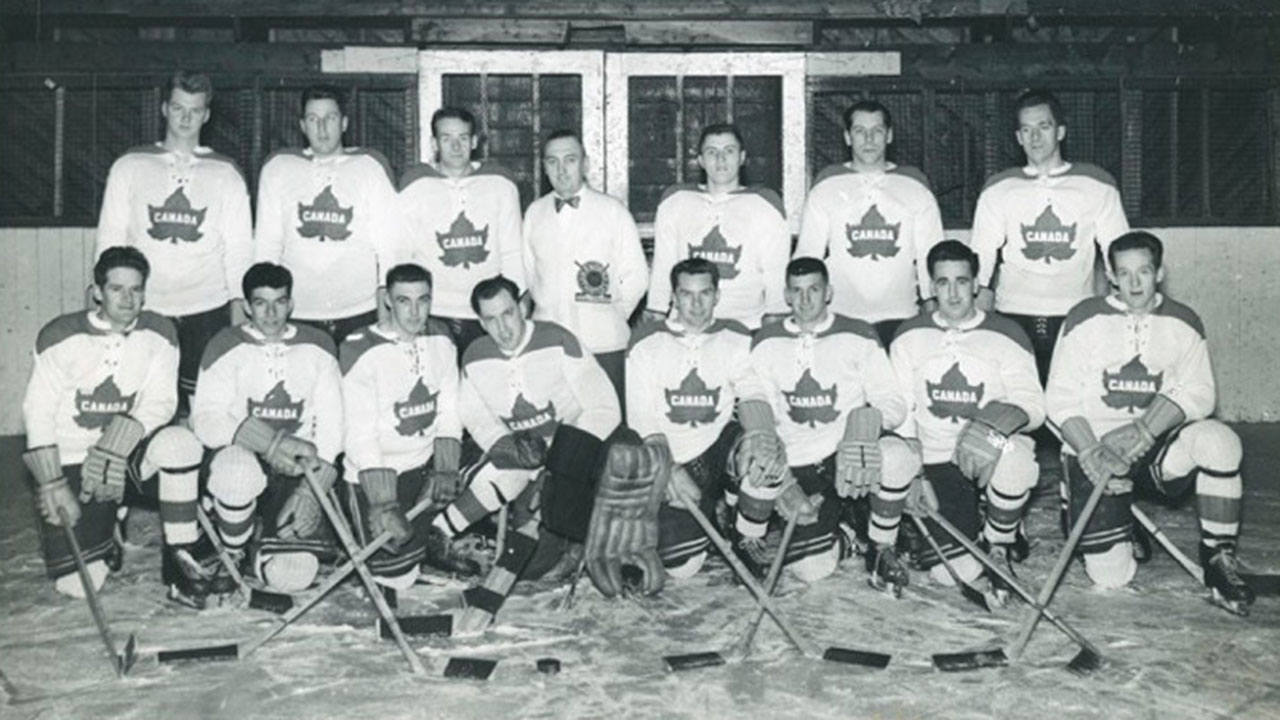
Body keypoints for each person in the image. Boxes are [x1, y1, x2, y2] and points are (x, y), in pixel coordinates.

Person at [1046, 230, 1254, 614]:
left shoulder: (1184, 321)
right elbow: (1058, 398)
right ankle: (1085, 504)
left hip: (1157, 449)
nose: (1134, 283)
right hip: (1095, 449)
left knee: (1220, 441)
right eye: (1124, 273)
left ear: (1159, 272)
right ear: (1110, 275)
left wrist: (1146, 429)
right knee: (1112, 577)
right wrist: (1091, 450)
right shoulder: (1083, 319)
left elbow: (1201, 393)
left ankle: (1219, 557)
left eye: (1143, 271)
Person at [430, 275, 621, 633]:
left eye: (507, 314)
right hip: (525, 453)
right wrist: (506, 447)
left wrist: (563, 457)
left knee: (534, 566)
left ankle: (575, 544)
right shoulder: (474, 356)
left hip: (573, 453)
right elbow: (474, 415)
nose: (502, 328)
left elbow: (605, 409)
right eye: (490, 320)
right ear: (480, 321)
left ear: (522, 307)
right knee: (506, 475)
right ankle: (440, 533)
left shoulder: (558, 340)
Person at [22, 247, 207, 605]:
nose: (127, 299)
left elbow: (162, 401)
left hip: (129, 451)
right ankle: (110, 528)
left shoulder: (160, 331)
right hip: (73, 457)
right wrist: (52, 483)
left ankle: (180, 564)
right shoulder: (60, 335)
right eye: (117, 289)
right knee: (78, 585)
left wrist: (116, 441)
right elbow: (38, 411)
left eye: (136, 289)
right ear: (97, 291)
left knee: (180, 444)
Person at [737, 257, 916, 590]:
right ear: (786, 296)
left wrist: (866, 423)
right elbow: (756, 402)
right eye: (797, 291)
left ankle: (880, 547)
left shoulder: (859, 333)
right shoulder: (766, 341)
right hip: (796, 460)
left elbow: (892, 400)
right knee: (812, 569)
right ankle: (842, 532)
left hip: (845, 454)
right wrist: (783, 476)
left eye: (814, 290)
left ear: (829, 291)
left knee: (897, 455)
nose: (805, 300)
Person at [888, 240, 1044, 596]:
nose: (954, 292)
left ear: (976, 284)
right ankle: (974, 520)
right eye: (943, 282)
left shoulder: (1006, 333)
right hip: (936, 456)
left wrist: (993, 426)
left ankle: (999, 541)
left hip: (987, 445)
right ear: (931, 287)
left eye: (962, 281)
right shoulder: (909, 335)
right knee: (953, 573)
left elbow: (1034, 405)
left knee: (1017, 455)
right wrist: (914, 473)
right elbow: (902, 411)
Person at [94, 70, 253, 417]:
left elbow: (239, 246)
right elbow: (110, 237)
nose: (185, 118)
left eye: (194, 110)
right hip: (146, 306)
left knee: (206, 410)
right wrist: (101, 296)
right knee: (142, 405)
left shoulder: (225, 172)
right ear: (165, 108)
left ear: (206, 115)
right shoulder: (130, 165)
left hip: (207, 308)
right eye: (179, 108)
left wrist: (239, 307)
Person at [191, 262, 344, 596]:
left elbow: (334, 424)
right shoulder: (225, 344)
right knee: (237, 473)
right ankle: (233, 545)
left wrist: (311, 490)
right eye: (261, 303)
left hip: (298, 467)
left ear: (291, 303)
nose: (271, 313)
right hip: (245, 456)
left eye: (279, 302)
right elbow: (205, 419)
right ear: (246, 306)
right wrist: (271, 443)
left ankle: (257, 543)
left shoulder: (317, 345)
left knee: (293, 576)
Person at [970, 89, 1130, 385]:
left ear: (1061, 131)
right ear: (1018, 137)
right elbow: (980, 260)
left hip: (1074, 315)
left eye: (1044, 127)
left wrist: (1117, 310)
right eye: (1027, 130)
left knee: (1070, 406)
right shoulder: (998, 188)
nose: (1035, 138)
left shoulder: (1096, 184)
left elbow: (1120, 254)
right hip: (1013, 315)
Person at [626, 258, 771, 579]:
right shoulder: (646, 341)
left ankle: (744, 532)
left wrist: (760, 434)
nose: (696, 304)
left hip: (718, 449)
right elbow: (640, 418)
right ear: (673, 297)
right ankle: (710, 516)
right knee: (682, 568)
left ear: (717, 295)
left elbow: (752, 389)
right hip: (674, 457)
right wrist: (669, 470)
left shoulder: (734, 334)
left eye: (705, 294)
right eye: (687, 295)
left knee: (761, 453)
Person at [339, 263, 463, 593]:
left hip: (422, 470)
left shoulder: (442, 338)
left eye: (423, 300)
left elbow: (450, 409)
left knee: (406, 575)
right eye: (404, 301)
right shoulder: (360, 348)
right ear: (388, 300)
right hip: (378, 475)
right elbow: (359, 433)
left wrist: (446, 468)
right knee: (393, 579)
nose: (415, 311)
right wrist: (382, 503)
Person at [254, 85, 408, 346]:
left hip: (359, 310)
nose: (322, 128)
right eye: (313, 119)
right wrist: (264, 308)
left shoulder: (369, 168)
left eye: (331, 118)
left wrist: (387, 310)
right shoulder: (279, 168)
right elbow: (267, 245)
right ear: (303, 125)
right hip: (298, 312)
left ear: (345, 122)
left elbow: (390, 247)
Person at [794, 100, 944, 348]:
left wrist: (931, 308)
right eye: (860, 131)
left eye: (877, 131)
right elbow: (809, 254)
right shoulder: (827, 185)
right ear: (847, 137)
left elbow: (932, 256)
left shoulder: (914, 185)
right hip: (840, 315)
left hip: (901, 314)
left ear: (889, 135)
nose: (869, 139)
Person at [521, 129, 648, 406]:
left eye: (570, 160)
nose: (561, 169)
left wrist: (608, 315)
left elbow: (637, 278)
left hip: (604, 344)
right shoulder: (534, 213)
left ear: (585, 164)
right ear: (544, 167)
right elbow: (530, 276)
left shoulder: (613, 211)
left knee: (609, 427)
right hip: (550, 345)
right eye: (552, 162)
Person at [399, 108, 525, 358]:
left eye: (463, 138)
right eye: (447, 139)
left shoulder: (500, 183)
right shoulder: (414, 184)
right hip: (433, 311)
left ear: (475, 141)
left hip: (487, 313)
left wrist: (517, 306)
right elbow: (402, 253)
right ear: (434, 143)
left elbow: (513, 250)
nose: (456, 147)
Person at [645, 123, 789, 330]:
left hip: (746, 324)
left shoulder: (765, 203)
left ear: (742, 157)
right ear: (700, 161)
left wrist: (777, 315)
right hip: (686, 324)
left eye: (729, 151)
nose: (720, 159)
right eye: (712, 152)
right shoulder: (676, 200)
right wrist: (656, 310)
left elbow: (776, 270)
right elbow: (663, 265)